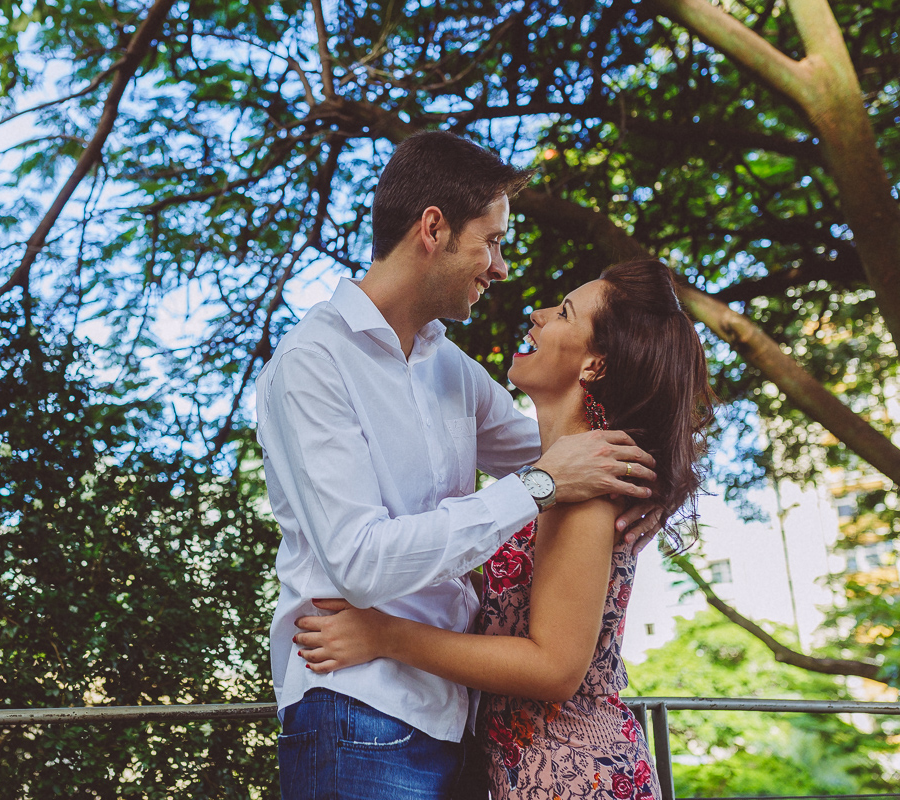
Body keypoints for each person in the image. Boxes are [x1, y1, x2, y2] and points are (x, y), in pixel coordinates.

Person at [255, 130, 664, 800]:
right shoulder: (313, 364)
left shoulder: (448, 366)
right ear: (434, 229)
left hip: (460, 726)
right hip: (357, 708)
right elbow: (360, 562)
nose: (500, 267)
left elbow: (565, 454)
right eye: (492, 241)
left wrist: (650, 482)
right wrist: (541, 485)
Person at [293, 258, 715, 799]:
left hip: (573, 777)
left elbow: (554, 667)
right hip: (538, 769)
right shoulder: (565, 474)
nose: (538, 314)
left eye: (564, 313)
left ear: (594, 365)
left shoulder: (583, 491)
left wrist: (384, 634)